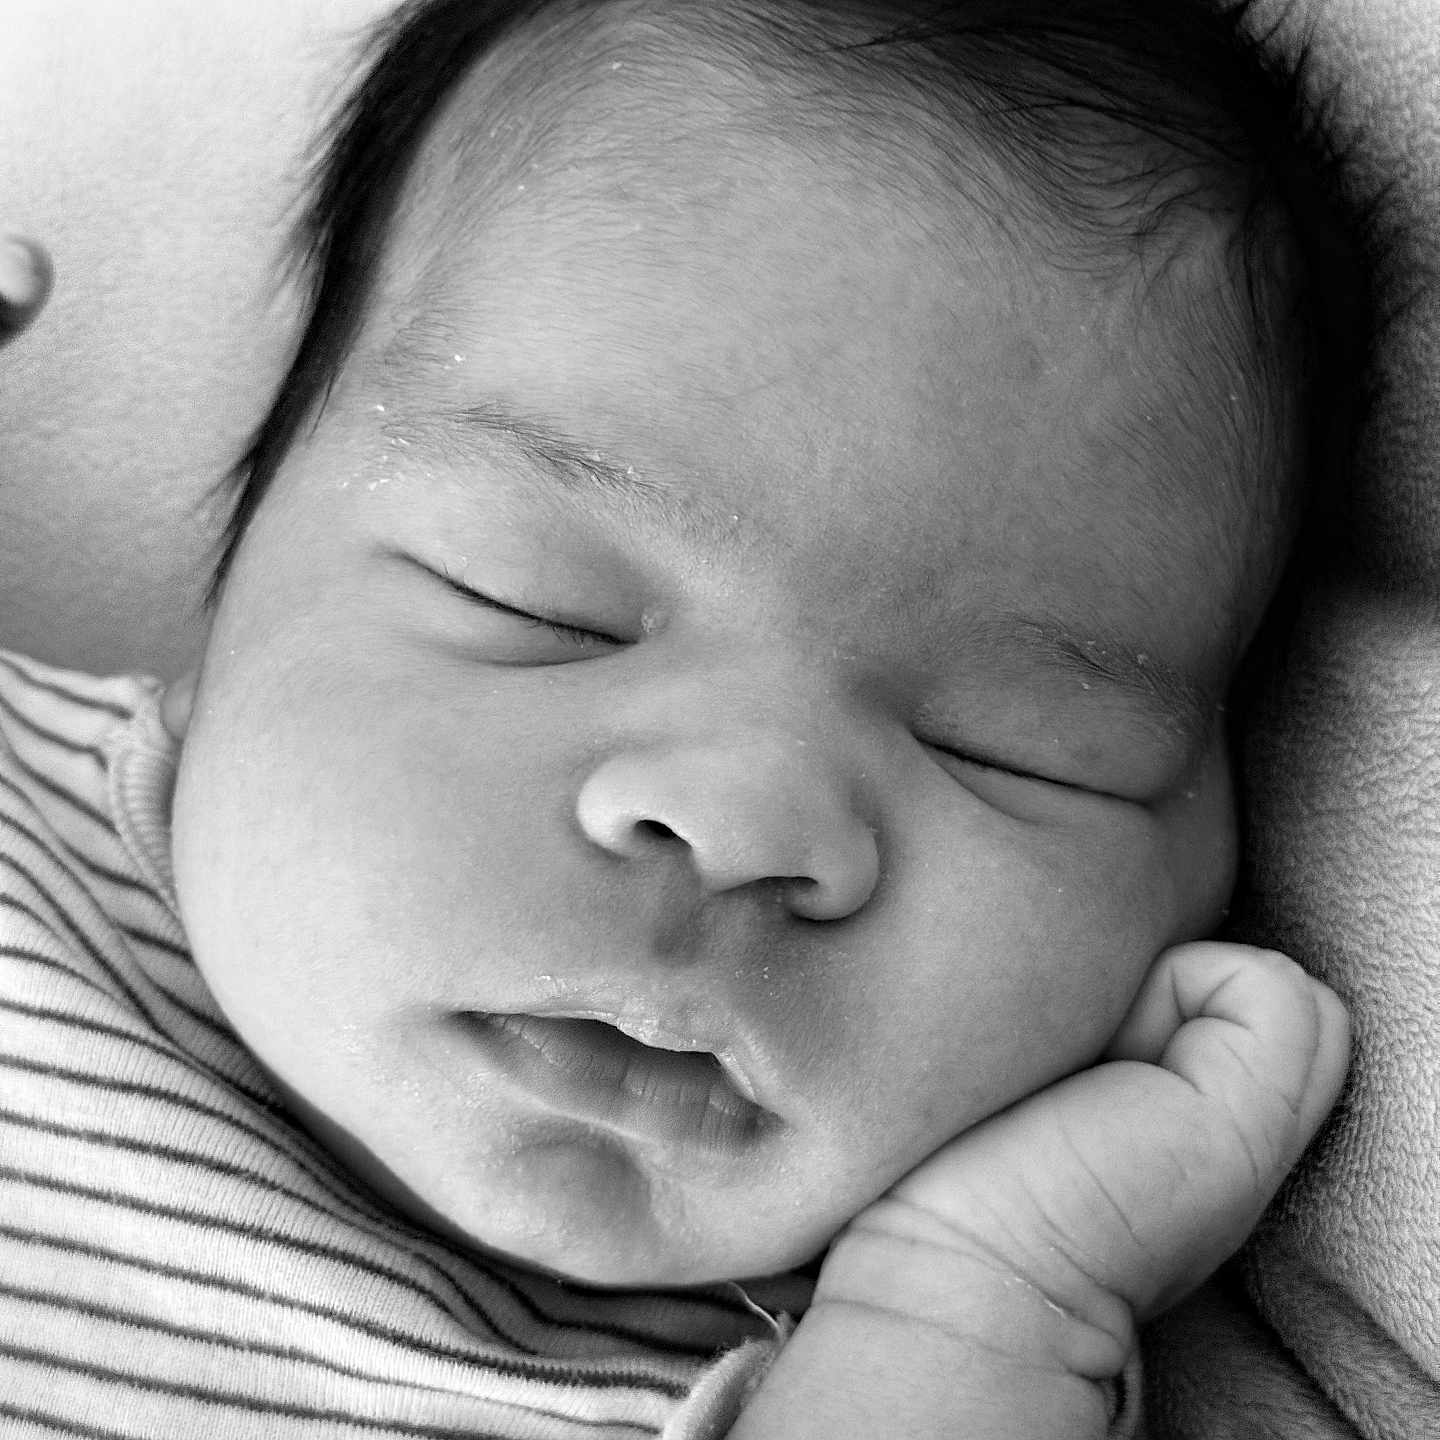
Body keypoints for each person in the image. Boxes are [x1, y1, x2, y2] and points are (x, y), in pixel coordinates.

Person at [0, 0, 1354, 1435]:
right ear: (226, 592)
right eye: (538, 605)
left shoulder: (899, 1358)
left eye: (1006, 746)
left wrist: (975, 1304)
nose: (741, 820)